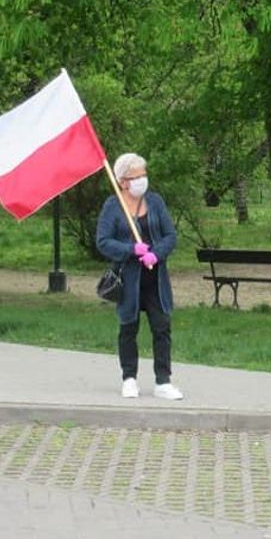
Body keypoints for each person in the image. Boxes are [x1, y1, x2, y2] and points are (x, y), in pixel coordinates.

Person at [96, 153, 183, 400]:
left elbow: (170, 236)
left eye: (144, 175)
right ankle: (129, 378)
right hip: (128, 280)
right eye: (136, 177)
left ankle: (163, 381)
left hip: (155, 278)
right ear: (123, 181)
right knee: (128, 327)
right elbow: (103, 242)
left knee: (162, 326)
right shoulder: (113, 206)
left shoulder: (155, 202)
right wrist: (130, 250)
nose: (142, 180)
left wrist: (156, 254)